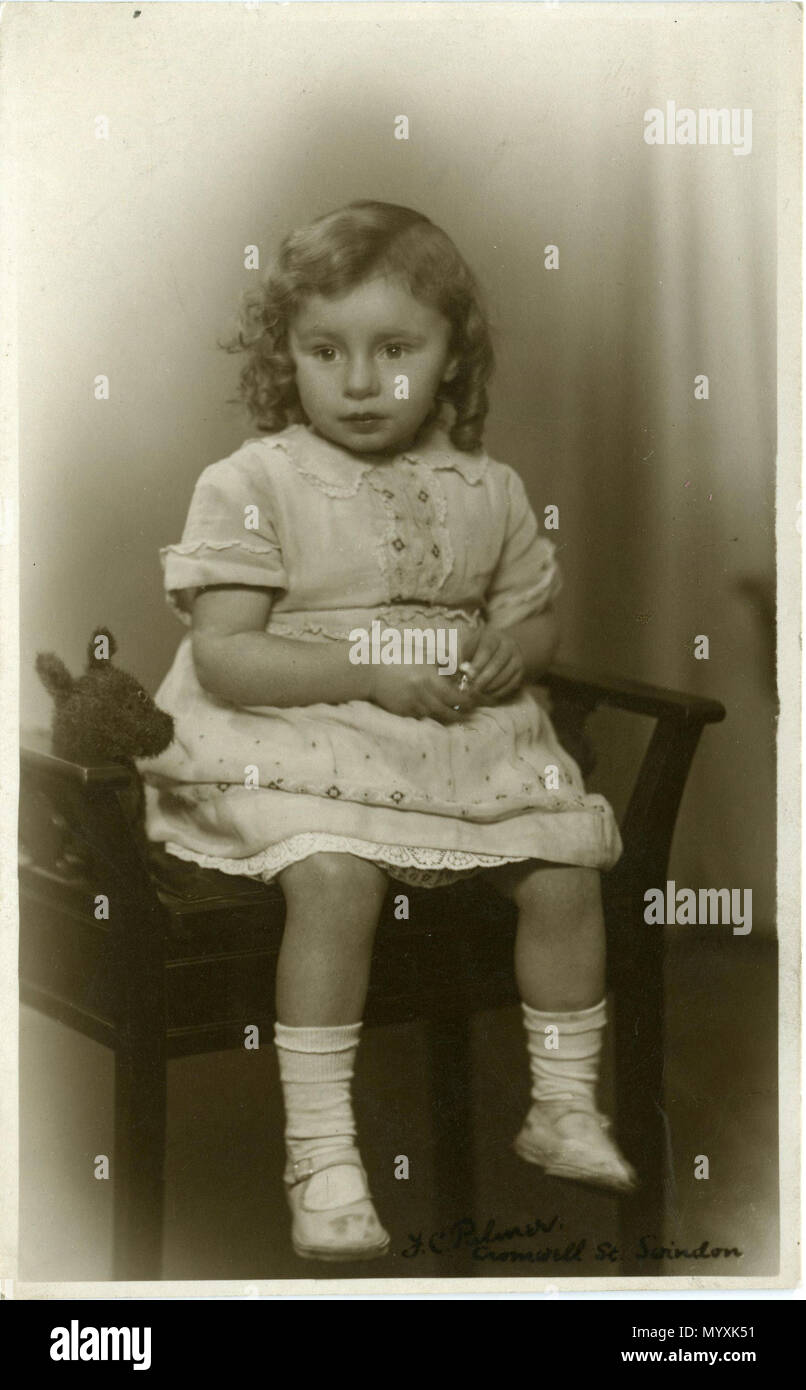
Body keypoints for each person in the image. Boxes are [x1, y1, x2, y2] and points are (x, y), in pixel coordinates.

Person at [139, 200, 636, 1264]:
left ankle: (558, 1101)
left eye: (395, 349)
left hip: (448, 742)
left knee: (560, 869)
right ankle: (320, 1153)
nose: (359, 382)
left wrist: (515, 649)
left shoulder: (487, 490)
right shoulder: (257, 483)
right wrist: (366, 669)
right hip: (295, 727)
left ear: (452, 355)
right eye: (325, 350)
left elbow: (532, 614)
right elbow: (227, 652)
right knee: (334, 874)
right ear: (288, 355)